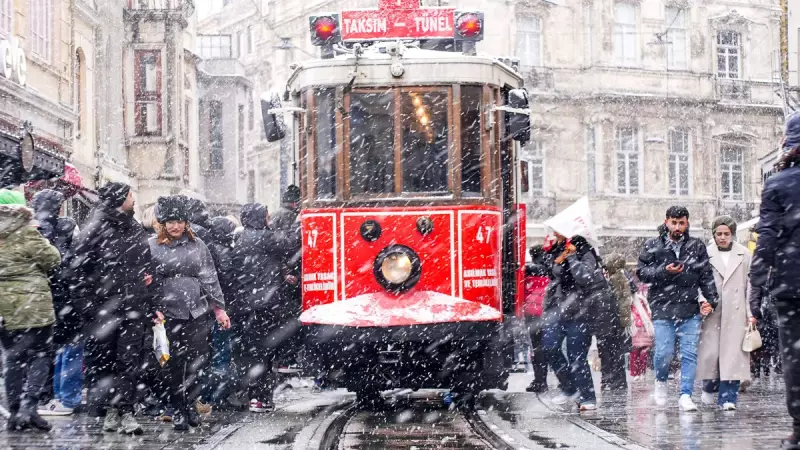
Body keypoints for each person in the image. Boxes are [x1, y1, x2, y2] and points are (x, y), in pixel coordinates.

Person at [68, 182, 159, 434]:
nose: (134, 200)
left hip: (133, 307)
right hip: (103, 309)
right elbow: (75, 271)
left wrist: (147, 296)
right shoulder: (94, 228)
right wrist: (88, 306)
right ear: (121, 198)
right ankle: (110, 410)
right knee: (104, 362)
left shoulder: (134, 228)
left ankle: (126, 411)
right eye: (131, 195)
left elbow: (145, 266)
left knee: (129, 361)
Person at [147, 195, 230, 431]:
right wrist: (155, 308)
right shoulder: (152, 245)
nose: (176, 226)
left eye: (180, 221)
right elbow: (147, 280)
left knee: (197, 360)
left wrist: (219, 309)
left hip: (196, 311)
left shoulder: (198, 245)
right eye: (171, 221)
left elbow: (210, 278)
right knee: (172, 363)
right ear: (162, 223)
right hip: (167, 312)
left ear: (187, 222)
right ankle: (177, 408)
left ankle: (191, 403)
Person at [749, 115, 800, 450]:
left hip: (791, 282)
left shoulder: (779, 183)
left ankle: (799, 426)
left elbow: (766, 237)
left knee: (794, 357)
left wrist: (756, 282)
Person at [637, 206, 718, 411]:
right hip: (663, 307)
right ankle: (661, 382)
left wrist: (712, 299)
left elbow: (705, 275)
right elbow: (642, 273)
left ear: (687, 223)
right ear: (666, 222)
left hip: (689, 308)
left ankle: (685, 394)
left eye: (681, 222)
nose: (678, 227)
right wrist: (664, 271)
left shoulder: (696, 246)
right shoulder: (653, 245)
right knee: (664, 352)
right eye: (674, 222)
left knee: (689, 353)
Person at [0, 191, 62, 431]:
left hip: (4, 308)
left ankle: (16, 413)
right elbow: (53, 259)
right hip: (33, 305)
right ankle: (29, 405)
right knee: (40, 355)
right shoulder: (27, 232)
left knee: (13, 357)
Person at [231, 202, 298, 413]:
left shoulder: (240, 238)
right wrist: (300, 223)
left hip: (246, 305)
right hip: (267, 304)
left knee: (253, 351)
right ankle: (260, 397)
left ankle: (252, 395)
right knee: (267, 351)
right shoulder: (266, 237)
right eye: (267, 216)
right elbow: (291, 243)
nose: (269, 219)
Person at [30, 190, 84, 417]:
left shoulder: (33, 230)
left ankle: (50, 395)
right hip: (67, 296)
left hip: (41, 296)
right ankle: (64, 396)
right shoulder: (69, 227)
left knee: (44, 349)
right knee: (68, 347)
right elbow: (75, 261)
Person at [542, 234, 605, 411]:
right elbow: (551, 272)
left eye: (558, 231)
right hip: (556, 308)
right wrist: (558, 259)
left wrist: (571, 257)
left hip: (580, 311)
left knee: (577, 355)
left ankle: (587, 396)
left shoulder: (586, 251)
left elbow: (584, 277)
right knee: (549, 347)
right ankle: (569, 388)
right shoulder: (556, 249)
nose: (555, 234)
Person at [695, 216, 752, 411]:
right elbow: (698, 281)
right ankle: (708, 387)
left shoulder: (744, 254)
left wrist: (751, 311)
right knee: (711, 353)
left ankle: (729, 397)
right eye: (718, 234)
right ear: (713, 234)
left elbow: (750, 286)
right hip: (713, 310)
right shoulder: (705, 254)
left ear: (732, 234)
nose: (722, 237)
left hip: (736, 309)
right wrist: (702, 301)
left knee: (733, 354)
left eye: (726, 234)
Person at [201, 216, 239, 407]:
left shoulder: (208, 248)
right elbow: (227, 282)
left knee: (213, 353)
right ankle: (219, 395)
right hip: (221, 308)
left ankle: (208, 394)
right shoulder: (223, 252)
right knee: (222, 352)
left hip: (210, 309)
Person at [270, 185, 302, 371]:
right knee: (291, 318)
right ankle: (287, 357)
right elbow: (287, 246)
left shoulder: (275, 215)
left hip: (281, 277)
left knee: (283, 319)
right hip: (291, 274)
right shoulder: (293, 217)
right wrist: (289, 272)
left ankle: (282, 358)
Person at [598, 253, 632, 391]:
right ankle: (618, 380)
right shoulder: (622, 277)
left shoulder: (616, 278)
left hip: (614, 321)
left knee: (611, 351)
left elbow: (615, 298)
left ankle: (614, 379)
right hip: (619, 321)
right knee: (616, 352)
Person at [523, 245, 549, 393]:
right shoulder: (551, 268)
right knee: (547, 349)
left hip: (533, 315)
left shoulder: (529, 271)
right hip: (547, 314)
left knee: (537, 349)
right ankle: (546, 380)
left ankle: (540, 380)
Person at [629, 292, 653, 380]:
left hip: (642, 328)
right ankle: (638, 373)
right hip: (637, 328)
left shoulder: (642, 302)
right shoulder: (637, 302)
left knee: (641, 353)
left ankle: (639, 372)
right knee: (636, 353)